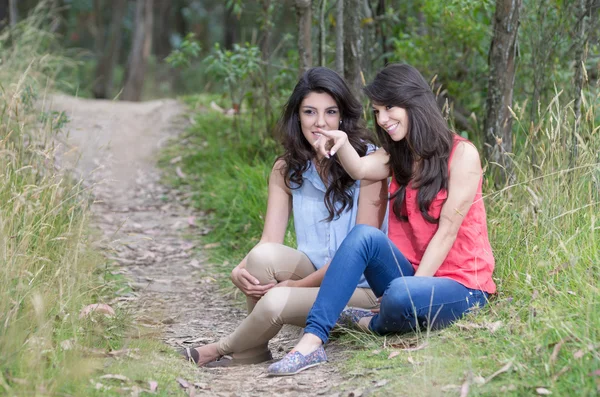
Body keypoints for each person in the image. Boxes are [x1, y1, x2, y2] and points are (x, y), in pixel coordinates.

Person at [267, 63, 496, 376]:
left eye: (389, 108)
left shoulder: (463, 155)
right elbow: (359, 169)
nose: (382, 120)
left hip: (463, 285)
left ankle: (368, 321)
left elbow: (447, 232)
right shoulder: (396, 156)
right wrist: (342, 143)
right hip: (409, 275)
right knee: (364, 236)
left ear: (414, 101)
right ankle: (312, 341)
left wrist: (413, 287)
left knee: (401, 294)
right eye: (376, 111)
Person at [181, 67, 387, 367]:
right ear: (297, 117)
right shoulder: (286, 169)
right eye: (309, 112)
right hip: (312, 276)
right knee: (261, 258)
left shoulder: (369, 165)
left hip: (359, 291)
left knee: (276, 300)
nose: (320, 122)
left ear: (342, 116)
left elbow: (356, 261)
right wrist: (239, 270)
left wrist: (293, 288)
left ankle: (219, 348)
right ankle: (252, 351)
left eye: (330, 112)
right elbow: (269, 241)